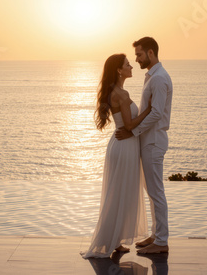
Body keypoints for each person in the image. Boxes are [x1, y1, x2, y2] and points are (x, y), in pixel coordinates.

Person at [81, 54, 150, 258]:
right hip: (124, 144)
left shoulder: (115, 91)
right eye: (128, 64)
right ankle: (112, 239)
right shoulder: (121, 93)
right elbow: (129, 125)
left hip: (121, 144)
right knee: (121, 192)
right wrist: (149, 110)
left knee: (119, 192)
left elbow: (126, 125)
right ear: (119, 70)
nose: (131, 66)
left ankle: (115, 240)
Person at [116, 37, 173, 254]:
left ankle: (162, 241)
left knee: (156, 191)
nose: (136, 59)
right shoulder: (152, 77)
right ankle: (156, 234)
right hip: (149, 140)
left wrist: (133, 130)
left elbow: (157, 112)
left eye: (139, 55)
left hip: (153, 141)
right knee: (152, 191)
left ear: (151, 53)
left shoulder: (158, 79)